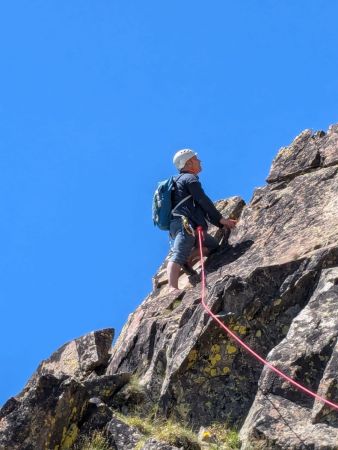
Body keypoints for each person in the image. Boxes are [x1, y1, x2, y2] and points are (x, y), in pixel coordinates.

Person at [167, 148, 236, 293]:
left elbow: (199, 205)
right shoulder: (189, 179)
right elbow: (202, 200)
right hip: (185, 225)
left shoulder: (178, 182)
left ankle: (188, 258)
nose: (199, 161)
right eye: (196, 159)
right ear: (189, 162)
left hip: (181, 225)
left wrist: (218, 222)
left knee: (214, 248)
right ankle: (172, 287)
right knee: (178, 254)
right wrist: (221, 220)